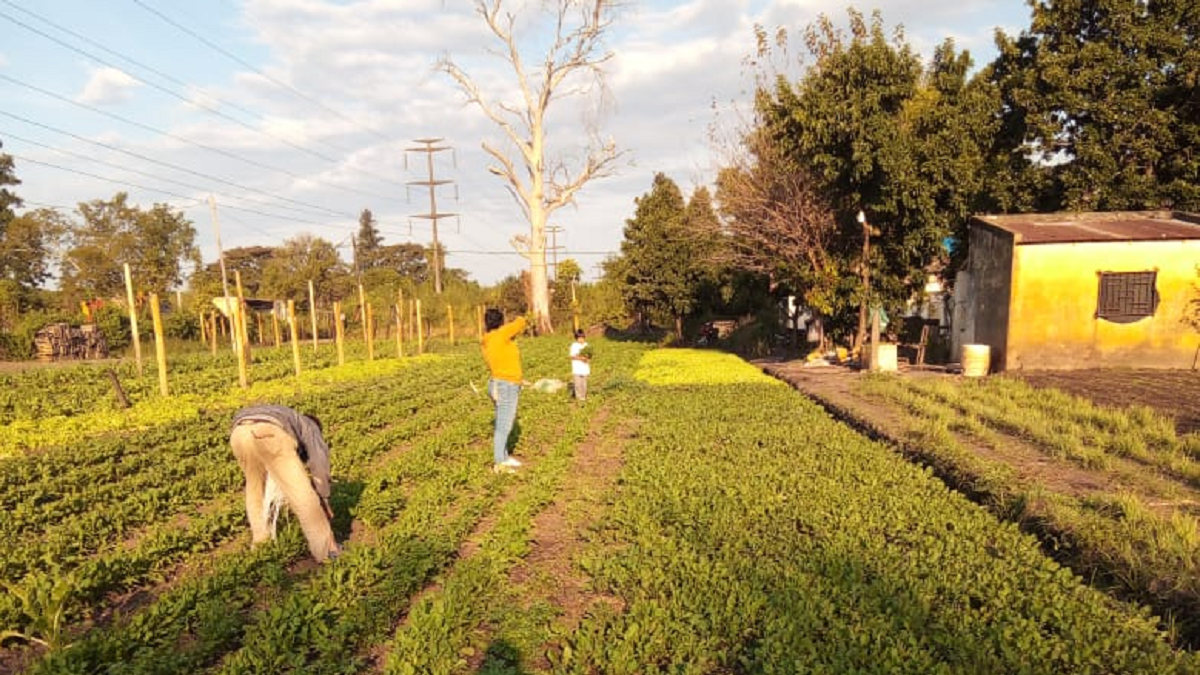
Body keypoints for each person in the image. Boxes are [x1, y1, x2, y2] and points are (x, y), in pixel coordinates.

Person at [229, 404, 341, 563]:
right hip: (269, 433)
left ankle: (261, 545)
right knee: (304, 497)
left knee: (255, 490)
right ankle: (328, 552)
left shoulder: (289, 417)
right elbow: (319, 463)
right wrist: (323, 496)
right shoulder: (310, 426)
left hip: (239, 433)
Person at [481, 308, 526, 473]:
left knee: (503, 422)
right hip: (506, 385)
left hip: (497, 383)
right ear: (501, 322)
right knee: (504, 426)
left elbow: (502, 362)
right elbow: (521, 322)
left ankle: (504, 457)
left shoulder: (487, 340)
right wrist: (522, 315)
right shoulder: (502, 334)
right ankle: (499, 463)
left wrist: (519, 379)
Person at [569, 328, 591, 401]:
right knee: (578, 384)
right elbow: (572, 356)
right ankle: (579, 398)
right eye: (579, 338)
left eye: (582, 338)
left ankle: (583, 397)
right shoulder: (574, 345)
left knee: (584, 384)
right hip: (577, 368)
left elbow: (589, 355)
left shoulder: (587, 345)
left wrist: (587, 359)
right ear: (576, 338)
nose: (581, 340)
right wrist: (581, 358)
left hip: (585, 368)